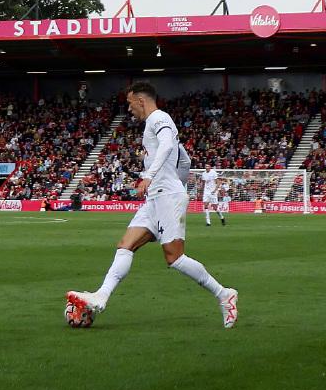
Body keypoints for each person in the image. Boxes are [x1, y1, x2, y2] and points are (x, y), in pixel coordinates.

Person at [66, 81, 238, 328]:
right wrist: (168, 182)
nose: (129, 108)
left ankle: (225, 294)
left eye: (129, 102)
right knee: (126, 245)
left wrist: (152, 177)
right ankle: (101, 296)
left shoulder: (158, 117)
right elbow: (185, 160)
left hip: (166, 196)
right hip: (157, 197)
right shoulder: (155, 123)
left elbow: (168, 146)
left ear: (140, 100)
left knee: (175, 258)